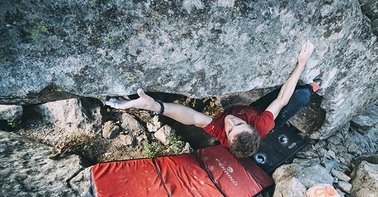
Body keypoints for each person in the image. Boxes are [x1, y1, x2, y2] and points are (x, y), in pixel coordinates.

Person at [106, 40, 320, 158]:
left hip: (252, 114)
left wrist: (157, 106)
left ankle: (308, 89)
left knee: (289, 95)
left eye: (231, 127)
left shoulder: (222, 132)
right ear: (251, 127)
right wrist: (301, 63)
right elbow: (282, 100)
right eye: (238, 123)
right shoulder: (263, 123)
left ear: (226, 137)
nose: (229, 121)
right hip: (260, 115)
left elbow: (191, 117)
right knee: (297, 96)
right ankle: (312, 88)